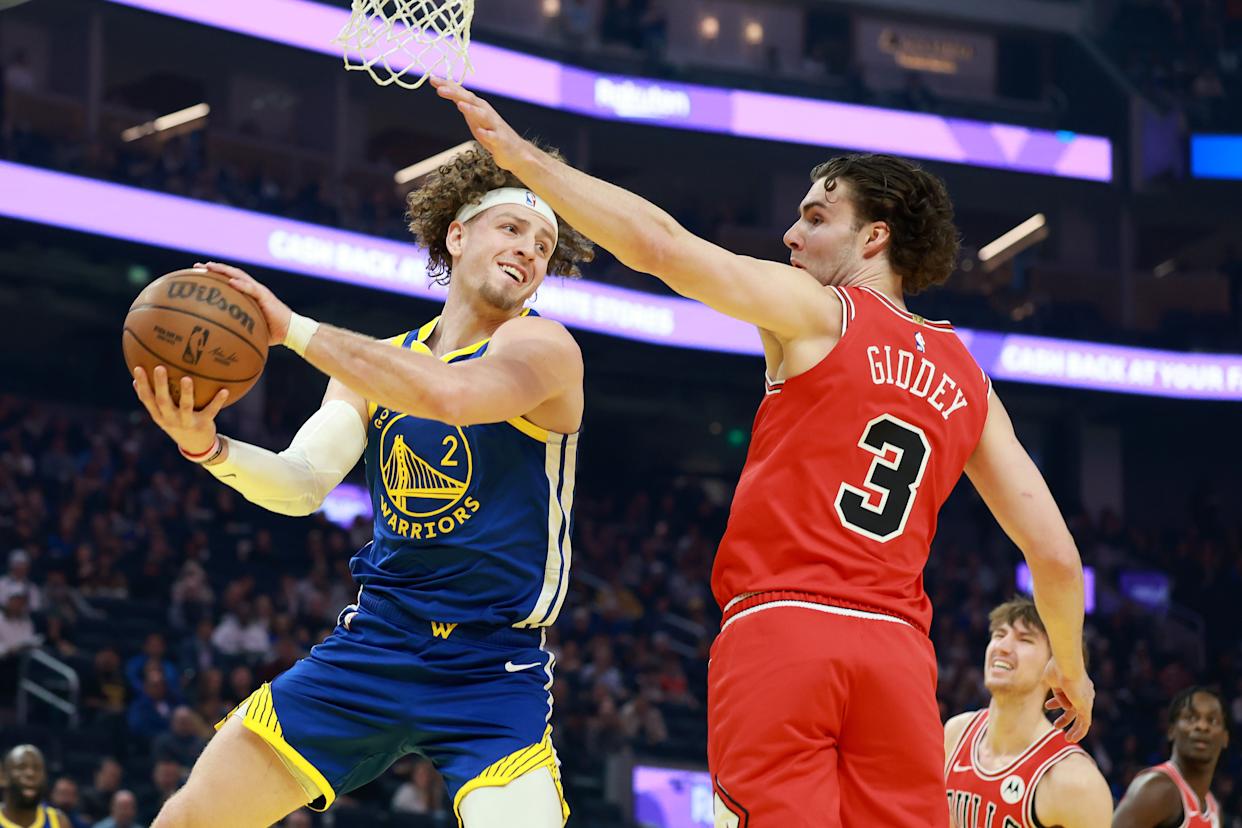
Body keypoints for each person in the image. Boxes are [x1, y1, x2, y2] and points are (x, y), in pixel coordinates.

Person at [434, 78, 1093, 827]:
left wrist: (520, 156)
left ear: (873, 237)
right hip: (899, 656)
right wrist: (1069, 666)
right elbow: (1056, 557)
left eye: (816, 216)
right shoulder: (969, 378)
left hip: (783, 630)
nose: (791, 234)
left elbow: (660, 247)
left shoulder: (819, 310)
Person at [131, 145, 594, 828]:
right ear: (458, 235)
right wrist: (208, 446)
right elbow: (303, 484)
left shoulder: (544, 349)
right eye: (512, 228)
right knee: (187, 820)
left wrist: (291, 329)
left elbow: (456, 394)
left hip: (490, 669)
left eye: (544, 244)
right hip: (375, 644)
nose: (530, 250)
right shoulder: (374, 368)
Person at [944, 598, 1112, 827]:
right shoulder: (955, 733)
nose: (1002, 647)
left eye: (1024, 639)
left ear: (1058, 669)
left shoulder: (1076, 781)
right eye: (999, 635)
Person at [1113, 687, 1228, 827]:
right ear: (1171, 730)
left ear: (1225, 738)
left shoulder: (1215, 811)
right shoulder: (1158, 788)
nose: (1202, 726)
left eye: (1212, 720)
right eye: (1191, 718)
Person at [0, 745, 71, 828]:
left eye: (37, 768)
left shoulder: (59, 821)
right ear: (3, 777)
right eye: (21, 767)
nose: (31, 774)